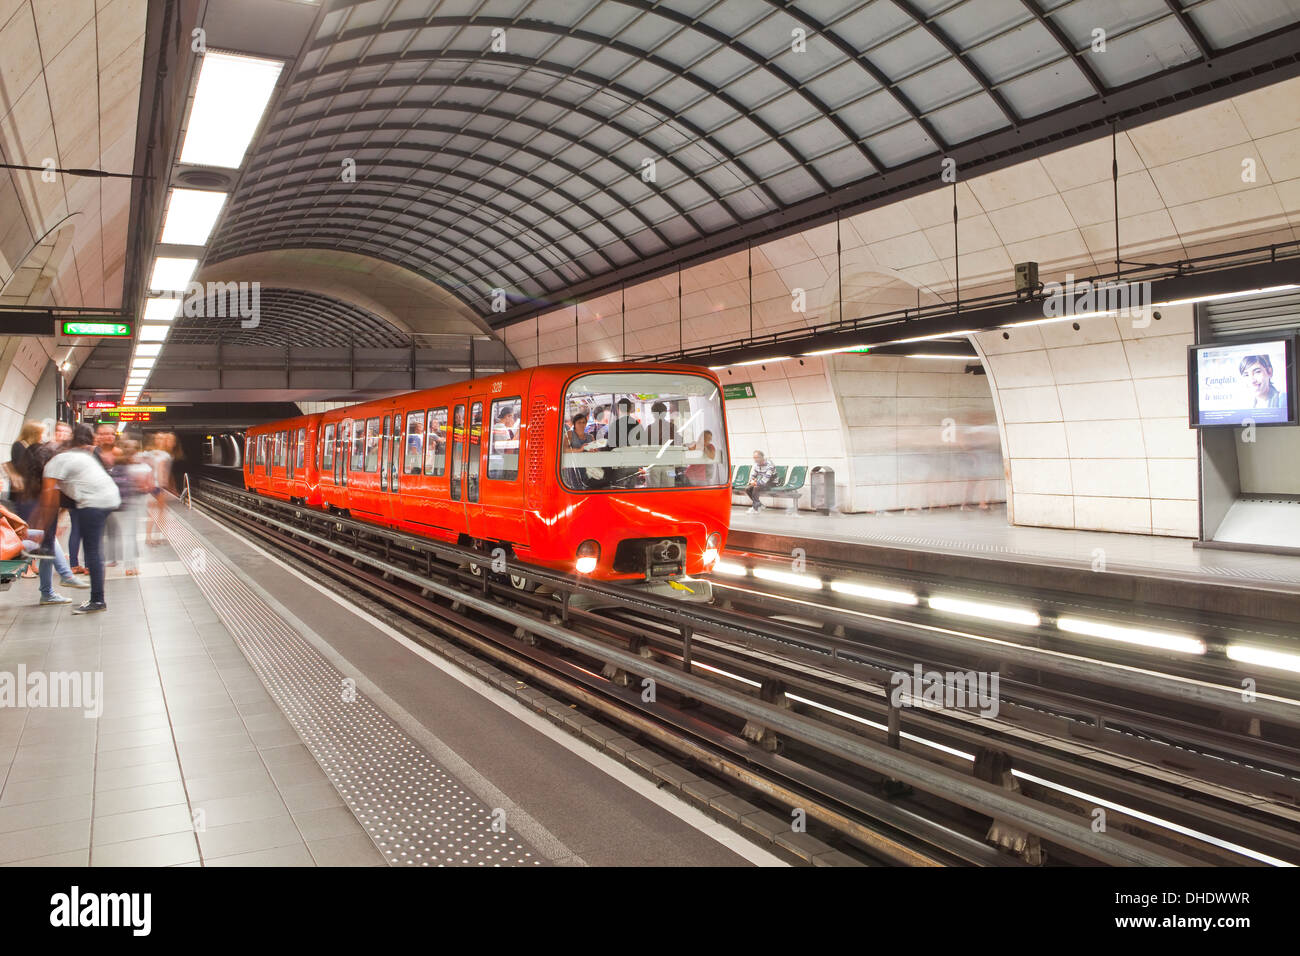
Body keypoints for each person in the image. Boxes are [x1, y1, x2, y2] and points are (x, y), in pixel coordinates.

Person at [32, 424, 118, 612]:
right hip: (107, 498)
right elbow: (65, 496)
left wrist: (45, 530)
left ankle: (97, 600)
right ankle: (94, 597)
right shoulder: (77, 457)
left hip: (94, 503)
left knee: (92, 550)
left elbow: (49, 500)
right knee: (93, 549)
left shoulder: (52, 465)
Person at [14, 423, 89, 605]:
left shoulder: (40, 455)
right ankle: (62, 577)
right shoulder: (35, 453)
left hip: (35, 507)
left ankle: (49, 591)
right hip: (30, 508)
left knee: (47, 545)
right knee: (46, 541)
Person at [110, 440, 152, 576]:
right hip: (129, 505)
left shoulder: (115, 466)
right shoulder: (141, 467)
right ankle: (131, 567)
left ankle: (117, 560)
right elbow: (146, 487)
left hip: (115, 506)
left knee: (119, 535)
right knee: (130, 536)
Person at [143, 432, 174, 546]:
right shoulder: (164, 455)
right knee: (160, 513)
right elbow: (162, 472)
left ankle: (150, 537)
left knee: (152, 513)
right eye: (159, 438)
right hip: (157, 486)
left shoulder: (149, 453)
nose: (161, 441)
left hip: (150, 486)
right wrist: (164, 486)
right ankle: (157, 537)